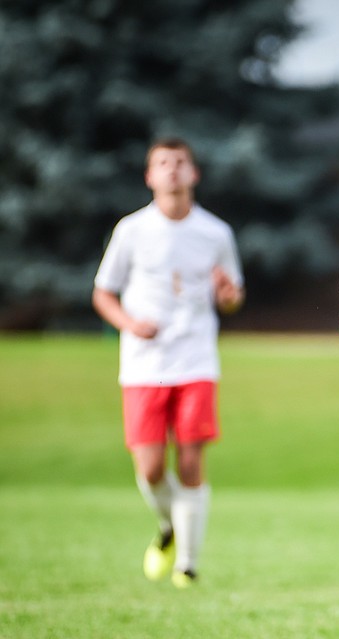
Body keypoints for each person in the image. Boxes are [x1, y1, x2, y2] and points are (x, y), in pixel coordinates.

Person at [93, 137, 245, 588]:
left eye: (180, 162)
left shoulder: (216, 233)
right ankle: (168, 527)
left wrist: (228, 297)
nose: (173, 170)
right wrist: (128, 322)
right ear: (150, 176)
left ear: (193, 173)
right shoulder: (132, 230)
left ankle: (188, 565)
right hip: (143, 364)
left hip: (196, 359)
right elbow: (102, 291)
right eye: (163, 163)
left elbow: (232, 297)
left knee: (191, 460)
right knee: (151, 468)